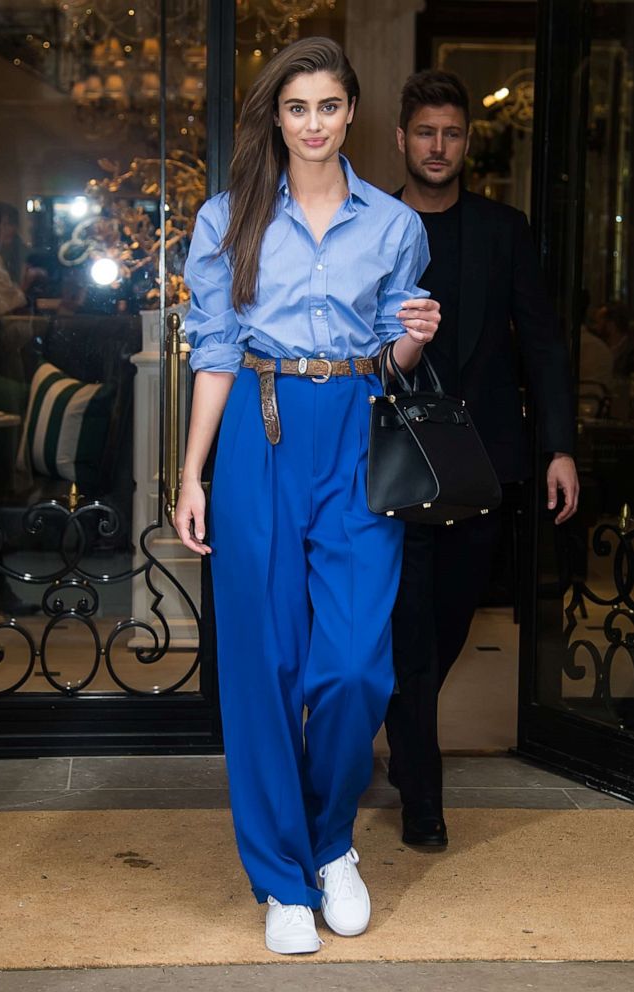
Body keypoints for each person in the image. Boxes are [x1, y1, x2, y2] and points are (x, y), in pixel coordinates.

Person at [175, 38, 440, 955]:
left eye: (329, 106)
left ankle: (331, 844)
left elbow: (391, 356)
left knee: (356, 664)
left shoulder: (393, 226)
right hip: (259, 425)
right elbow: (213, 352)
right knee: (264, 665)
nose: (314, 123)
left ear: (351, 112)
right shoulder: (228, 218)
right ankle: (281, 878)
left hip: (358, 432)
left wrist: (411, 336)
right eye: (298, 108)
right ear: (277, 119)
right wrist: (190, 475)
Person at [385, 69, 579, 849]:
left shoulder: (504, 229)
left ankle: (406, 747)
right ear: (400, 139)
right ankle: (421, 795)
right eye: (425, 132)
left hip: (481, 462)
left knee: (450, 623)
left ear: (466, 141)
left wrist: (558, 445)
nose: (438, 146)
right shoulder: (370, 225)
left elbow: (541, 343)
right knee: (408, 628)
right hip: (391, 461)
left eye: (452, 133)